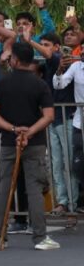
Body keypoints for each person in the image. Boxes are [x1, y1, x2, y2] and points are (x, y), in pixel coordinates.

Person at [0, 41, 57, 250]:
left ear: (15, 60)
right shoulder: (40, 84)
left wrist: (13, 129)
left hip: (9, 141)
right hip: (34, 142)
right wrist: (30, 131)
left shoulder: (1, 83)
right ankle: (40, 237)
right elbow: (49, 116)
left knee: (4, 187)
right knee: (34, 189)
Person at [52, 45, 84, 215]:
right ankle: (73, 202)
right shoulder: (76, 67)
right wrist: (59, 70)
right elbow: (59, 84)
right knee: (77, 165)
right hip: (79, 122)